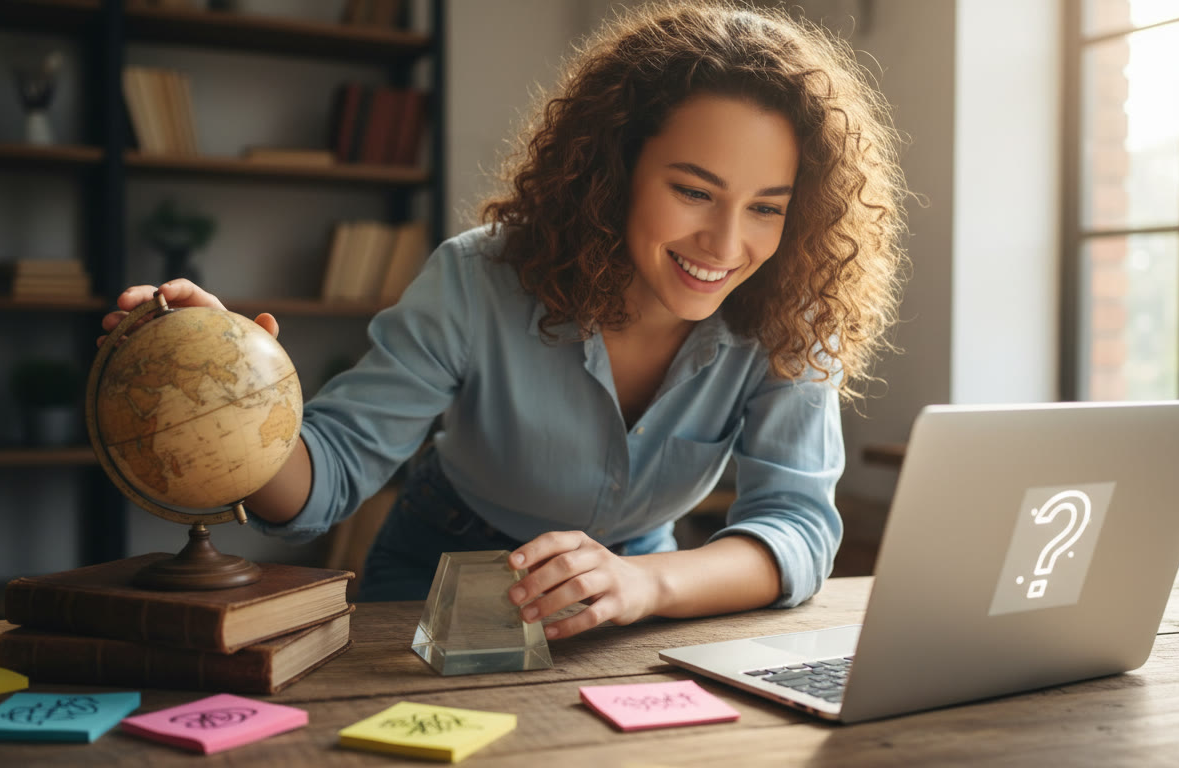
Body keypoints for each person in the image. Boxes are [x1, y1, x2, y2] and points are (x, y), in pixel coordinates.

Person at [101, 1, 907, 640]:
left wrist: (644, 583)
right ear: (615, 167)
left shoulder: (792, 314)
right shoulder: (479, 276)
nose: (727, 246)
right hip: (439, 569)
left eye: (766, 207)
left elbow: (797, 530)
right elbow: (327, 479)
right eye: (693, 191)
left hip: (639, 592)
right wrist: (238, 397)